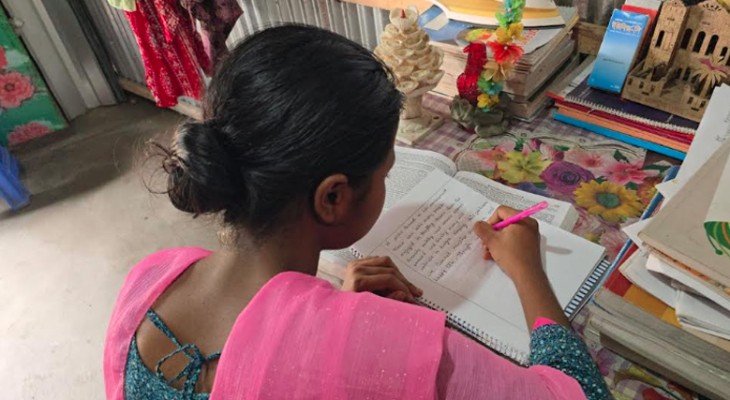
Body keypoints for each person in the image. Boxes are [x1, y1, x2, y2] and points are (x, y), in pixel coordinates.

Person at [104, 25, 610, 400]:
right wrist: (527, 271)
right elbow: (578, 393)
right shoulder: (383, 346)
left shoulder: (149, 282)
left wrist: (329, 317)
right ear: (332, 198)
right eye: (385, 174)